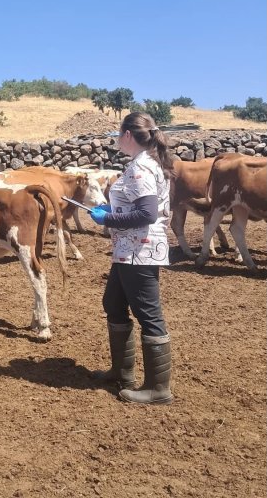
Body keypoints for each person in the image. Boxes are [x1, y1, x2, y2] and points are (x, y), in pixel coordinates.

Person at [87, 113, 178, 405]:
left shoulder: (140, 168)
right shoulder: (145, 163)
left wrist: (108, 218)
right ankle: (121, 372)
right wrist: (111, 211)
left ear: (128, 135)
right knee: (112, 303)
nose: (116, 139)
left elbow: (147, 213)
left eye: (118, 133)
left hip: (140, 250)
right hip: (129, 250)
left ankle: (158, 388)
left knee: (149, 315)